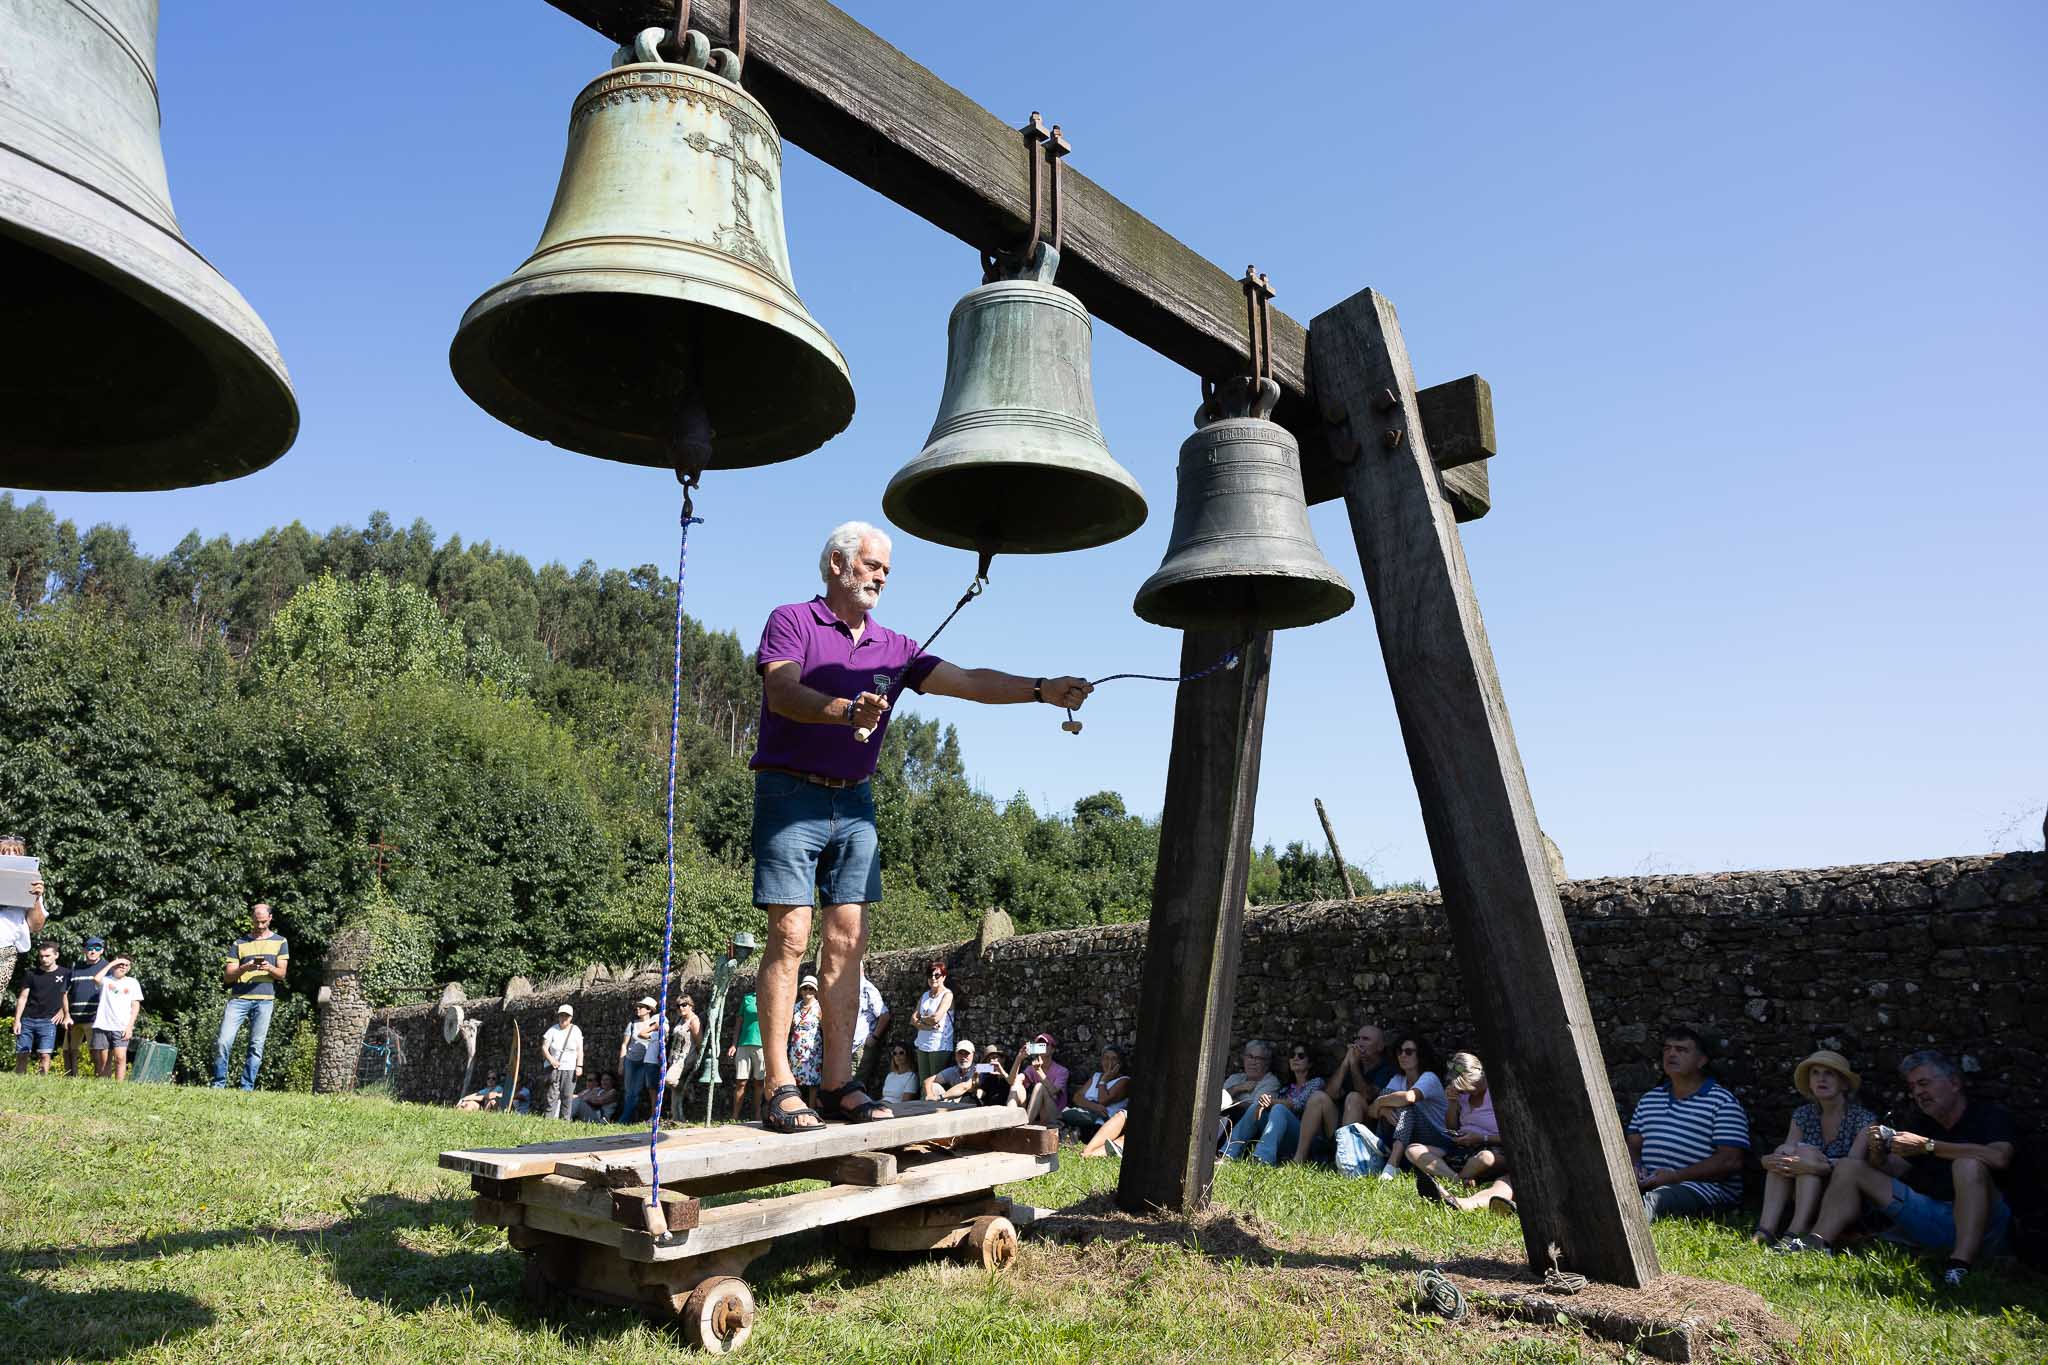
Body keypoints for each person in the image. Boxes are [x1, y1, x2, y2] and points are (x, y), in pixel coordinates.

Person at [745, 521, 1091, 1132]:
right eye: (872, 566)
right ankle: (779, 1084)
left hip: (855, 804)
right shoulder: (793, 620)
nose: (881, 577)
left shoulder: (895, 646)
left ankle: (836, 1084)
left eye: (886, 570)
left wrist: (1042, 689)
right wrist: (847, 710)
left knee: (849, 942)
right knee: (791, 934)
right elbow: (782, 692)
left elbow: (970, 682)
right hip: (789, 792)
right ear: (836, 564)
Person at [1783, 1050, 2021, 1286]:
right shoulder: (1921, 1120)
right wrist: (1879, 1153)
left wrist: (1928, 1146)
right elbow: (1894, 1169)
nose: (1918, 1092)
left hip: (1988, 1224)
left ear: (1954, 1083)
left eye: (1924, 1083)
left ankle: (1960, 1264)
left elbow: (1999, 1158)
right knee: (1850, 1167)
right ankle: (1818, 1242)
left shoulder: (1988, 1115)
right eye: (1913, 1087)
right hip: (1933, 1215)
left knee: (1967, 1165)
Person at [1752, 1049, 1877, 1247]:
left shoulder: (1864, 1120)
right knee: (1784, 1154)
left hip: (1841, 1196)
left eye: (1829, 1074)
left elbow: (1852, 1169)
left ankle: (1795, 1232)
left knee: (1804, 1156)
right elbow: (1788, 1152)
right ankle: (1764, 1231)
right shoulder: (1804, 1115)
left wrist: (1811, 1166)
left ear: (1844, 1083)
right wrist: (1769, 1159)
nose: (1821, 1079)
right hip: (1804, 1188)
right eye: (1815, 1073)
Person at [1624, 1025, 1750, 1219]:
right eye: (1667, 1049)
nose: (1671, 1054)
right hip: (1649, 1181)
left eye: (1681, 1050)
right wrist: (1635, 1167)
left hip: (1704, 1189)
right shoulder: (1650, 1098)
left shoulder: (1722, 1102)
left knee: (1657, 1200)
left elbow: (1730, 1161)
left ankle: (1625, 1228)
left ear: (1701, 1061)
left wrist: (1675, 1177)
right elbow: (1633, 1144)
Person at [1410, 1052, 1516, 1211]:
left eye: (1469, 1087)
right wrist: (1452, 1103)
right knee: (1413, 1150)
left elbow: (1513, 1138)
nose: (1466, 1092)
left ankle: (1458, 1188)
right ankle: (1459, 1181)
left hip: (1491, 1148)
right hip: (1464, 1148)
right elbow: (1452, 1127)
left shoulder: (1497, 1093)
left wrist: (1481, 1138)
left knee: (1484, 1158)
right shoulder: (1462, 1095)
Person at [1294, 1022, 1397, 1162]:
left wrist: (1353, 1065)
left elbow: (1367, 1095)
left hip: (1369, 1132)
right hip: (1341, 1126)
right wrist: (1345, 1063)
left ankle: (1348, 1160)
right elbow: (1331, 1093)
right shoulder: (1354, 1063)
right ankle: (1299, 1158)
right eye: (1358, 1038)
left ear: (1380, 1046)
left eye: (1366, 1039)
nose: (1359, 1043)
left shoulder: (1387, 1069)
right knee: (1318, 1097)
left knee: (1354, 1098)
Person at [213, 902, 288, 1090]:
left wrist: (268, 967)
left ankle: (247, 1087)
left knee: (256, 1045)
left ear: (270, 918)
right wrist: (245, 967)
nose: (260, 926)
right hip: (238, 999)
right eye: (256, 922)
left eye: (263, 922)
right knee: (223, 1041)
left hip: (265, 1000)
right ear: (251, 919)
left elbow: (282, 974)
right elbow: (228, 977)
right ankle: (218, 1084)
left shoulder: (280, 942)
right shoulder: (239, 943)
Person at [1224, 1042, 1325, 1166]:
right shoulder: (1286, 1089)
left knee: (1278, 1108)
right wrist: (1262, 1104)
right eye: (1292, 1056)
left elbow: (1297, 1104)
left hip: (1307, 1141)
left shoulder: (1315, 1083)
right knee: (1256, 1105)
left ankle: (1262, 1159)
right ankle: (1228, 1154)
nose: (1295, 1058)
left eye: (1301, 1056)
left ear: (1310, 1063)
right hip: (1286, 1140)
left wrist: (1270, 1101)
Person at [1368, 1032, 1450, 1180]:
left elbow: (1409, 1097)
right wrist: (1384, 1110)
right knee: (1388, 1093)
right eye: (1400, 1051)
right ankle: (1385, 1158)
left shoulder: (1429, 1077)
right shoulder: (1398, 1079)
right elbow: (1371, 1112)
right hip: (1410, 1135)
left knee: (1405, 1105)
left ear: (1421, 1055)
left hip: (1437, 1137)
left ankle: (1392, 1164)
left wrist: (1380, 1103)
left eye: (1409, 1052)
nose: (1403, 1056)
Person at [0, 834, 49, 1002]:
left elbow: (35, 927)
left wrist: (35, 898)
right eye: (5, 853)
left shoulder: (31, 882)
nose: (11, 857)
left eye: (16, 854)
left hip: (5, 949)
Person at [12, 941, 69, 1075]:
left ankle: (41, 1083)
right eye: (41, 956)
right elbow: (23, 998)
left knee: (45, 1055)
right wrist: (17, 1020)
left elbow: (68, 995)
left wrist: (63, 1011)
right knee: (22, 1054)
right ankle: (19, 1081)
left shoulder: (66, 973)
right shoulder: (31, 974)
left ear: (56, 955)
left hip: (49, 1021)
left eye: (47, 956)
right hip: (27, 1019)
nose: (44, 959)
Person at [87, 955, 143, 1081]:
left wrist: (129, 1027)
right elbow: (96, 979)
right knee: (104, 1060)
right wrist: (112, 963)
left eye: (126, 965)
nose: (122, 966)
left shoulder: (132, 982)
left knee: (120, 1058)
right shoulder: (106, 980)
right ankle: (105, 1085)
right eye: (120, 964)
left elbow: (135, 1006)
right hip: (103, 1025)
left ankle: (119, 1087)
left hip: (121, 1026)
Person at [1061, 1043, 1131, 1145]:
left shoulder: (1124, 1081)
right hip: (1086, 1114)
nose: (1109, 1062)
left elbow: (1103, 1100)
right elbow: (1077, 1097)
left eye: (1114, 1059)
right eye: (1106, 1058)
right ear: (1102, 1061)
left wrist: (1104, 1080)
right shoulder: (1096, 1076)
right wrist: (1094, 1106)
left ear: (1120, 1063)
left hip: (1101, 1123)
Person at [1218, 1040, 1282, 1145]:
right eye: (1250, 1056)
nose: (1253, 1062)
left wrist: (1231, 1101)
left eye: (1258, 1058)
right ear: (1244, 1058)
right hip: (1224, 1123)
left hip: (1250, 1131)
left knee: (1235, 1112)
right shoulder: (1235, 1079)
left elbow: (1255, 1109)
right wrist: (1237, 1088)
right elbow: (1217, 1100)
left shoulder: (1270, 1082)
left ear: (1267, 1063)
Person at [64, 937, 107, 1078]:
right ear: (84, 950)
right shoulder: (75, 968)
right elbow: (64, 993)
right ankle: (70, 1079)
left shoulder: (107, 968)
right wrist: (66, 1015)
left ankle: (98, 1079)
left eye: (97, 948)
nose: (93, 951)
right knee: (70, 1051)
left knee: (95, 1051)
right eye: (89, 948)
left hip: (95, 1018)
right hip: (74, 1018)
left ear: (102, 951)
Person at [911, 961, 955, 1088]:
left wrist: (921, 1020)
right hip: (922, 1043)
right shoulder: (925, 995)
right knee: (922, 1083)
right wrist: (927, 1025)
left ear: (944, 977)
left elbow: (936, 1017)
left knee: (934, 1083)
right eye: (930, 976)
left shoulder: (947, 995)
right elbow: (913, 1019)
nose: (933, 978)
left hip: (939, 1044)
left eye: (937, 975)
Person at [1009, 1033, 1070, 1125]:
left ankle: (1026, 1124)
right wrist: (1019, 1058)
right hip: (1038, 1113)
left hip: (1054, 1114)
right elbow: (1012, 1081)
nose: (1042, 1048)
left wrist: (1039, 1071)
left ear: (1053, 1049)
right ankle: (1010, 1123)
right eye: (1039, 1045)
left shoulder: (1062, 1071)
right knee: (1015, 1087)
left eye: (1045, 1045)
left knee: (1040, 1086)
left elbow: (1054, 1092)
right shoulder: (1032, 1068)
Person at [617, 996, 660, 1124]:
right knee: (629, 1092)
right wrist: (621, 1063)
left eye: (641, 1007)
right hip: (630, 1060)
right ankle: (627, 1119)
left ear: (649, 1010)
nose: (638, 1009)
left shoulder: (654, 1024)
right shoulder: (632, 1024)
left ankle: (624, 1121)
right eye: (637, 1006)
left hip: (644, 1062)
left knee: (635, 1092)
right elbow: (624, 1044)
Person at [725, 989, 764, 1123]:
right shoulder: (747, 998)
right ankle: (735, 1116)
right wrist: (733, 1045)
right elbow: (739, 1023)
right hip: (743, 1044)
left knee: (759, 1082)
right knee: (740, 1081)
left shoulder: (771, 995)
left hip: (762, 1046)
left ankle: (757, 1116)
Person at [541, 1005, 585, 1121]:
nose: (563, 1018)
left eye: (566, 1016)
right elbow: (544, 1048)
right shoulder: (552, 1030)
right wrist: (551, 1060)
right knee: (552, 1095)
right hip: (553, 1067)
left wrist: (579, 1065)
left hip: (570, 1067)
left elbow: (580, 1050)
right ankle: (548, 1120)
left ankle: (564, 1121)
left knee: (567, 1095)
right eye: (561, 1015)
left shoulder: (576, 1030)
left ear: (571, 1017)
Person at [663, 996, 704, 1120]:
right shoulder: (679, 1019)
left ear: (691, 1005)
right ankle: (677, 1118)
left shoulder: (694, 1021)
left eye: (684, 1004)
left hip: (686, 1058)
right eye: (678, 1006)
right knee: (675, 1092)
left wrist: (697, 1060)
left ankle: (687, 1090)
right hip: (674, 1058)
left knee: (669, 1080)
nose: (681, 1008)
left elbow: (699, 1042)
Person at [850, 970, 890, 1089]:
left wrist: (874, 1037)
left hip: (861, 1046)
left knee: (854, 1086)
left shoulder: (868, 989)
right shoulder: (850, 988)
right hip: (848, 1047)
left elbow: (884, 1016)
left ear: (860, 970)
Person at [788, 974, 824, 1104]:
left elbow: (824, 1027)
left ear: (815, 991)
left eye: (811, 988)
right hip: (796, 1050)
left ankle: (812, 1108)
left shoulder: (819, 1007)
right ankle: (798, 1106)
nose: (808, 991)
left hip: (812, 1051)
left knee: (813, 1082)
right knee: (796, 1081)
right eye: (805, 988)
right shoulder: (795, 1007)